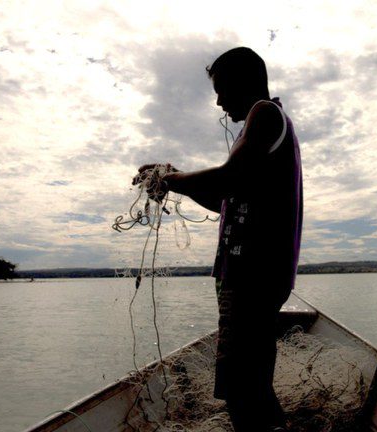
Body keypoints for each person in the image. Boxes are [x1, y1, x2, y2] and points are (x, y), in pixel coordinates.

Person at [134, 47, 303, 431]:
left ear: (246, 82)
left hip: (254, 275)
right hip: (251, 275)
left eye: (222, 90)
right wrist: (176, 177)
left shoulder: (265, 113)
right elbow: (222, 197)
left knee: (241, 389)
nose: (219, 102)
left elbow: (227, 177)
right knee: (253, 383)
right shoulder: (257, 131)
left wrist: (169, 179)